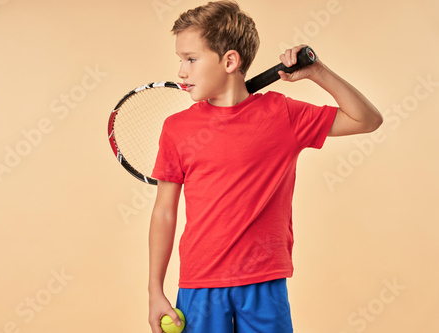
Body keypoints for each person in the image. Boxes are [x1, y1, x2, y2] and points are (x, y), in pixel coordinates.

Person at [148, 1, 383, 332]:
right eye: (180, 60)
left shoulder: (282, 115)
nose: (181, 71)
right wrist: (154, 290)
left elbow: (368, 119)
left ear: (230, 60)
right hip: (200, 283)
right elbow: (164, 213)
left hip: (264, 281)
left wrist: (317, 72)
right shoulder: (177, 128)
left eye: (190, 59)